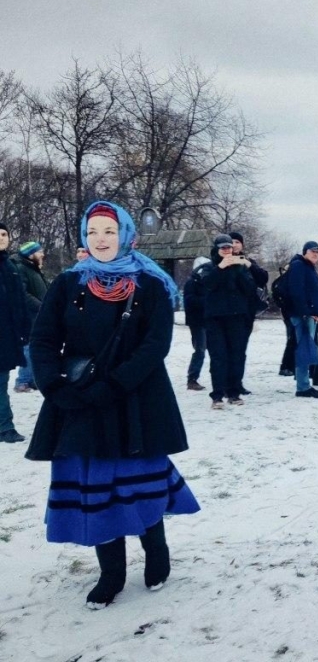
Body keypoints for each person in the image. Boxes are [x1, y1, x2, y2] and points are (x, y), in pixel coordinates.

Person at [25, 200, 200, 608]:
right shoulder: (68, 283)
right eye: (92, 232)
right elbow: (44, 337)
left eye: (108, 231)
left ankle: (156, 552)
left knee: (138, 482)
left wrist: (116, 384)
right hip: (79, 399)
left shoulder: (150, 285)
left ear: (124, 234)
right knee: (96, 485)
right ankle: (112, 573)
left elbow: (155, 345)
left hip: (136, 399)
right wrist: (54, 384)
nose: (101, 240)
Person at [199, 235, 258, 409]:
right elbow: (205, 285)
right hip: (215, 319)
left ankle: (234, 392)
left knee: (236, 356)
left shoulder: (239, 267)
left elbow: (250, 289)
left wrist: (240, 269)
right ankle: (217, 395)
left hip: (237, 317)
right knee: (218, 357)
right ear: (216, 250)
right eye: (223, 248)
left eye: (229, 248)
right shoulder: (209, 267)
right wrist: (220, 268)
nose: (226, 251)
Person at [283, 241, 318, 398]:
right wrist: (306, 313)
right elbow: (296, 292)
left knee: (306, 349)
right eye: (312, 251)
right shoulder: (299, 266)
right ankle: (302, 387)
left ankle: (304, 385)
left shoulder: (308, 267)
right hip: (302, 316)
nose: (316, 254)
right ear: (305, 252)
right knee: (304, 349)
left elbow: (314, 293)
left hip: (309, 315)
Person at [0, 221, 31, 443]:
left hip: (6, 334)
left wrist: (23, 329)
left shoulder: (9, 266)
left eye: (4, 234)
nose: (1, 238)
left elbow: (18, 300)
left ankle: (4, 426)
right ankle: (5, 426)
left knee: (2, 379)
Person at [229, 231, 269, 396]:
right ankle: (225, 383)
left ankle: (237, 383)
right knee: (227, 350)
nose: (234, 245)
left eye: (237, 242)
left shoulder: (248, 262)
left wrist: (248, 264)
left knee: (240, 350)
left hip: (246, 313)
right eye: (231, 242)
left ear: (242, 245)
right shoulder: (220, 262)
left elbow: (263, 278)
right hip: (227, 313)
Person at [13, 240, 49, 393]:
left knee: (34, 347)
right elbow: (22, 293)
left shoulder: (34, 269)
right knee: (28, 347)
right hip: (29, 316)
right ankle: (22, 381)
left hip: (37, 315)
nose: (42, 254)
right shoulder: (22, 268)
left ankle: (32, 380)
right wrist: (41, 306)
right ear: (31, 254)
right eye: (39, 251)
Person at [182, 256, 211, 391]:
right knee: (200, 350)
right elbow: (190, 301)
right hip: (198, 321)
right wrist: (208, 301)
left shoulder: (208, 282)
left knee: (214, 350)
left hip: (208, 320)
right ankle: (192, 379)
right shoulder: (192, 283)